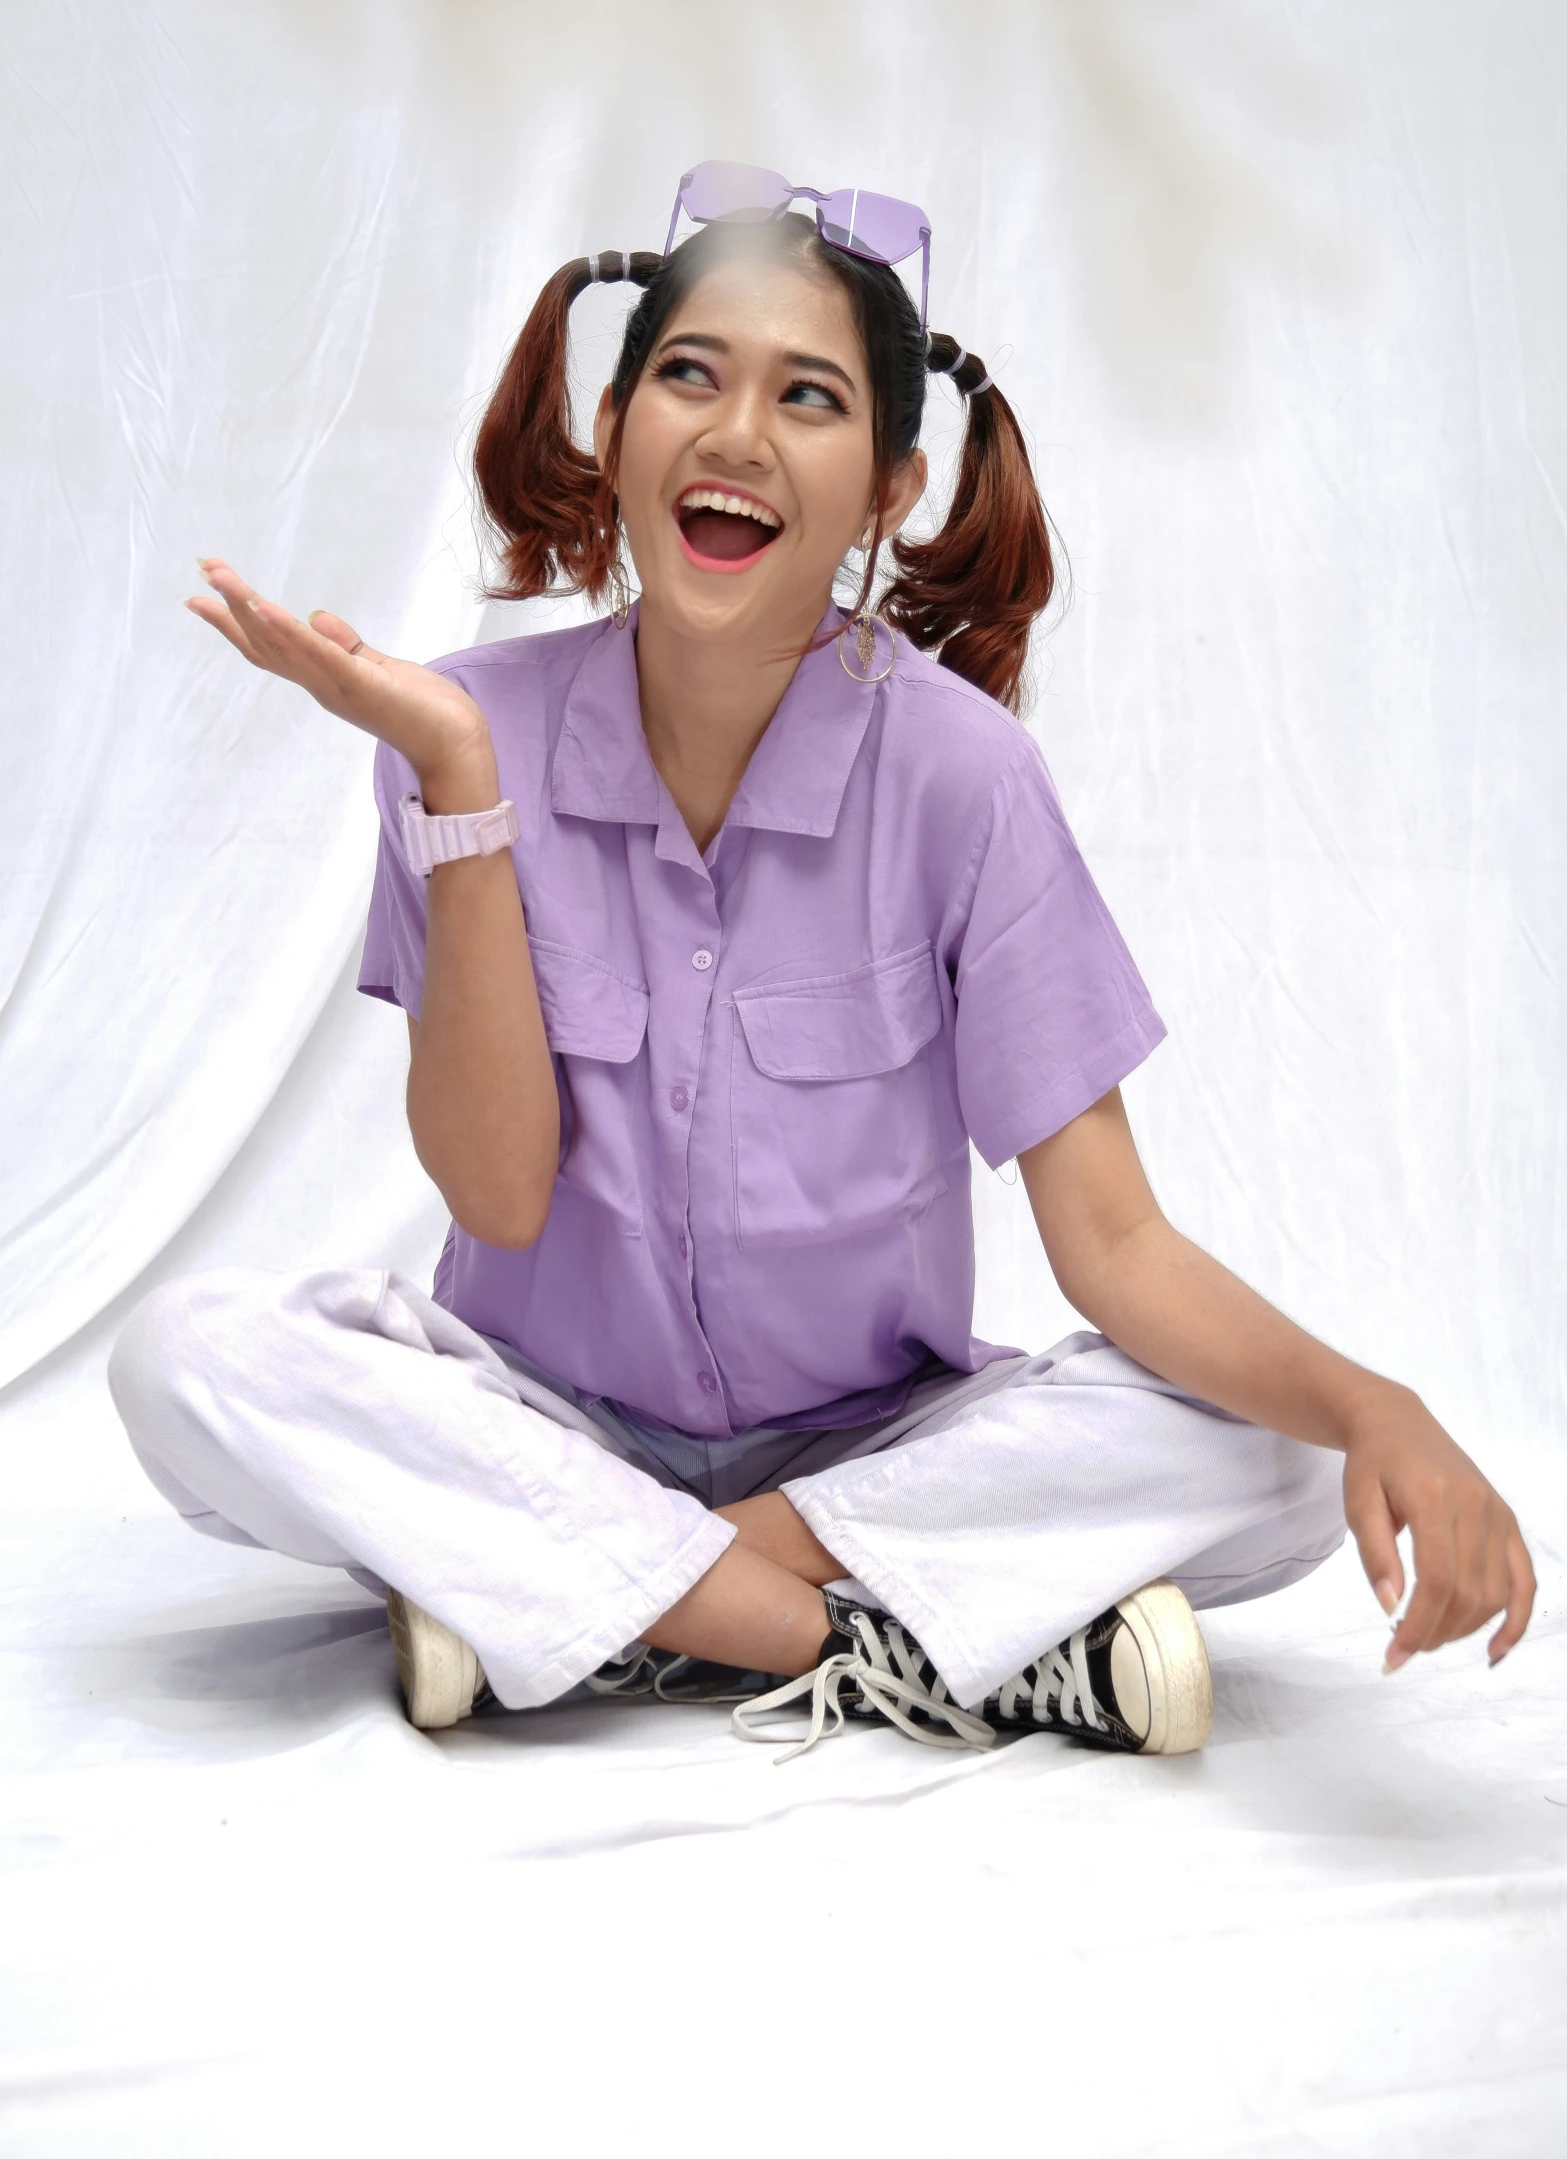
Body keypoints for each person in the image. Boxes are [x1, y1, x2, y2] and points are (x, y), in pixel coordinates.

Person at [108, 163, 1535, 1763]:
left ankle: (596, 1608)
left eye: (809, 396)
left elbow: (1115, 1241)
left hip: (869, 1453)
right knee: (186, 1358)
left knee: (1270, 1460)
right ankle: (870, 1641)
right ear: (616, 425)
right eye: (688, 374)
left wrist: (1373, 1408)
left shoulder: (963, 777)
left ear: (889, 487)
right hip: (545, 1421)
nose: (735, 433)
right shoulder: (454, 733)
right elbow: (495, 1196)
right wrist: (458, 790)